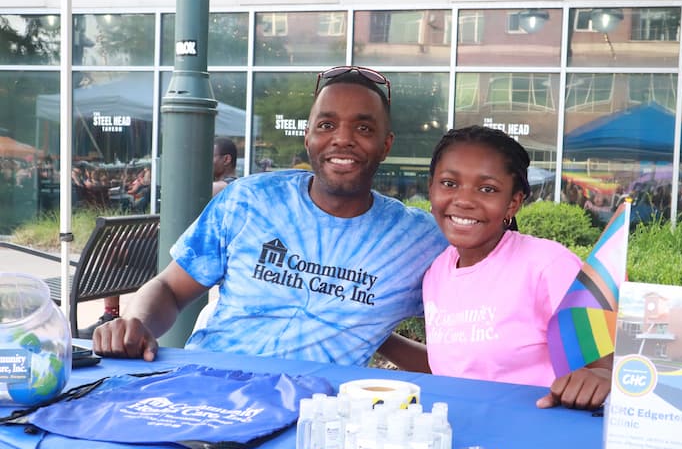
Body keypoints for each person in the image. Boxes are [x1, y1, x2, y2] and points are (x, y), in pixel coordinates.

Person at [92, 66, 447, 367]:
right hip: (204, 385)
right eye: (326, 125)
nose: (343, 139)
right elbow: (170, 288)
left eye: (364, 128)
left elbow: (477, 334)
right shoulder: (249, 200)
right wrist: (136, 323)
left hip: (314, 418)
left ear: (386, 145)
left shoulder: (420, 241)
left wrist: (374, 330)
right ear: (307, 137)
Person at [386, 126, 612, 410]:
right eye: (449, 183)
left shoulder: (548, 266)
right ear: (431, 188)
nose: (464, 200)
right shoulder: (437, 273)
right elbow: (456, 372)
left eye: (487, 189)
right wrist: (379, 336)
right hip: (467, 441)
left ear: (513, 203)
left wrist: (603, 376)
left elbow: (606, 367)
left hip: (539, 441)